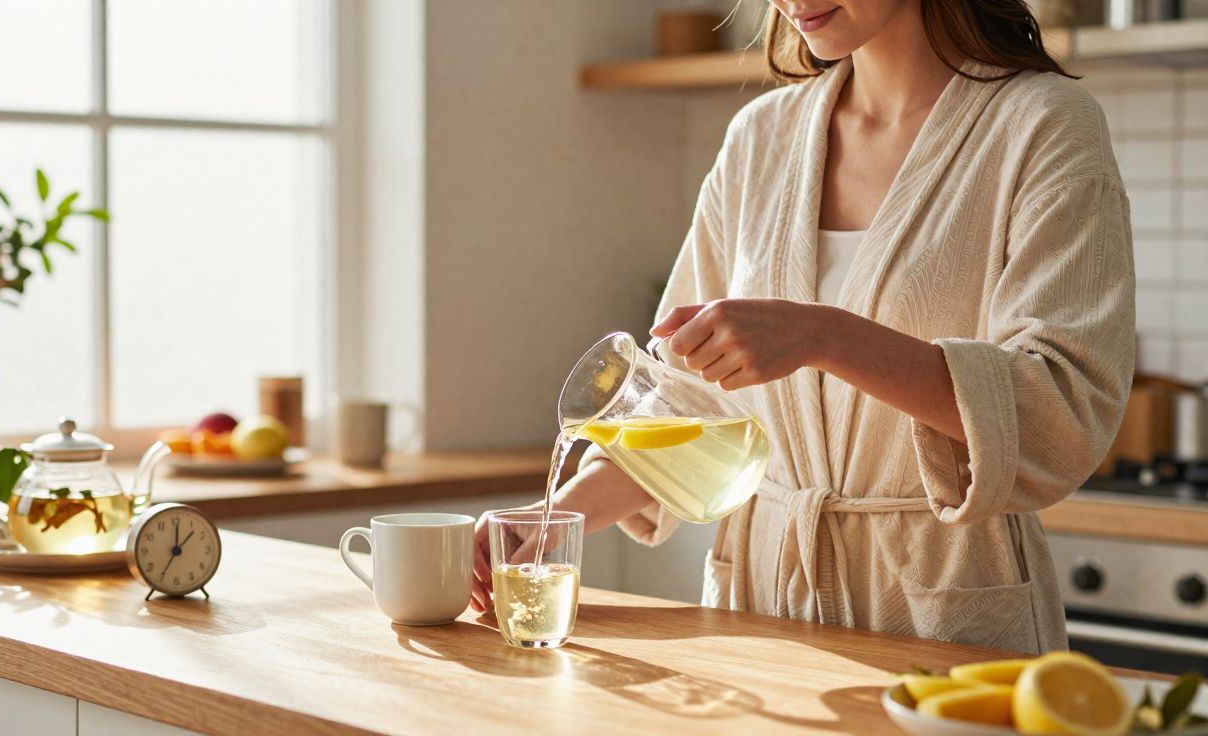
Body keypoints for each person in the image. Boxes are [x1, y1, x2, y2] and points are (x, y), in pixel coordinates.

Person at [473, 0, 1134, 654]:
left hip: (946, 614)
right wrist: (552, 520)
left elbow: (1062, 408)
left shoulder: (1043, 126)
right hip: (764, 610)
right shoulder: (761, 137)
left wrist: (826, 338)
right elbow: (682, 409)